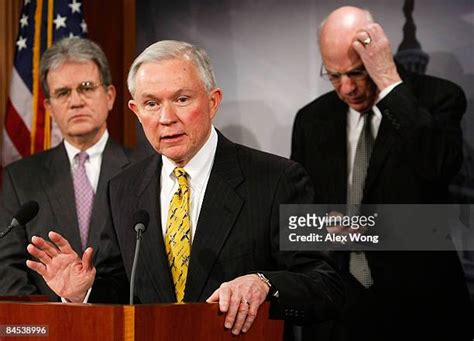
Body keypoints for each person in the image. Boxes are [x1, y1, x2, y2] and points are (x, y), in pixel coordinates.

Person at [25, 40, 344, 336]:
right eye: (151, 103)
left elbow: (326, 284)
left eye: (181, 99)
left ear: (212, 101)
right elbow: (124, 287)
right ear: (136, 111)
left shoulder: (279, 179)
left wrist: (264, 283)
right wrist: (84, 291)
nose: (166, 118)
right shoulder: (123, 188)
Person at [291, 6, 472, 340]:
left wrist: (388, 79)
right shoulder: (310, 120)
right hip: (339, 313)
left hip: (421, 308)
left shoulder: (439, 98)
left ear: (377, 53)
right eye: (333, 75)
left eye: (358, 72)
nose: (347, 88)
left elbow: (438, 175)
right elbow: (299, 225)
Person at [0, 37, 135, 301]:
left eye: (86, 88)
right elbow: (7, 268)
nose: (76, 101)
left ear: (109, 96)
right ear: (49, 107)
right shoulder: (20, 178)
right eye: (63, 92)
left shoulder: (147, 168)